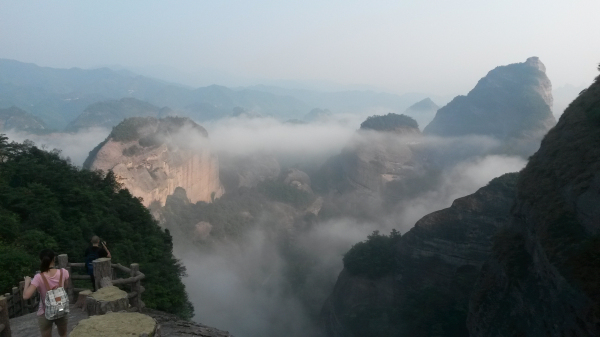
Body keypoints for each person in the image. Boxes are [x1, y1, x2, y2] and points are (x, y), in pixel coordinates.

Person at [23, 249, 70, 337]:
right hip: (61, 308)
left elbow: (26, 296)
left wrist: (27, 282)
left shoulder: (38, 277)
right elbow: (66, 286)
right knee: (63, 334)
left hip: (44, 312)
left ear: (41, 260)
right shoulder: (63, 272)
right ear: (54, 259)